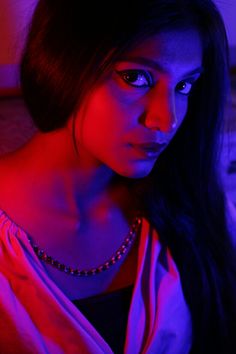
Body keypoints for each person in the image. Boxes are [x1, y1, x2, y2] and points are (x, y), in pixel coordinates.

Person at [0, 0, 235, 353]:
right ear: (63, 63)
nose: (165, 120)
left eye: (184, 87)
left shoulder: (197, 207)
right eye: (135, 78)